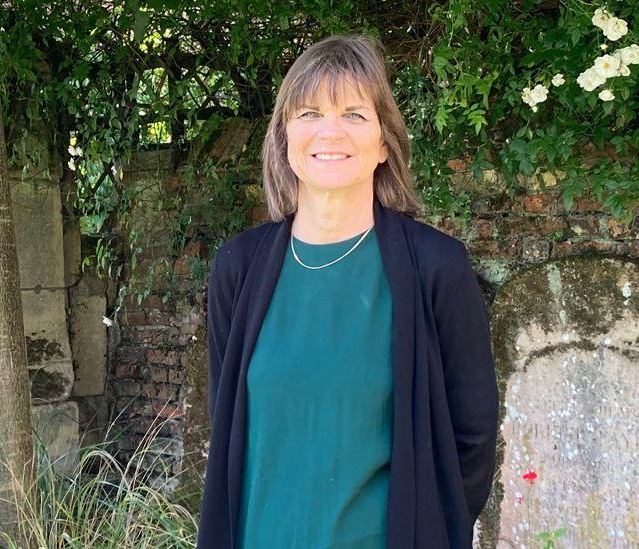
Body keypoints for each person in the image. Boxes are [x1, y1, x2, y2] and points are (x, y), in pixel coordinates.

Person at [197, 34, 499, 549]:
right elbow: (228, 424)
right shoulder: (238, 269)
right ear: (284, 138)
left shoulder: (436, 269)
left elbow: (472, 439)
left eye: (354, 114)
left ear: (384, 143)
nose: (329, 131)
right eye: (310, 112)